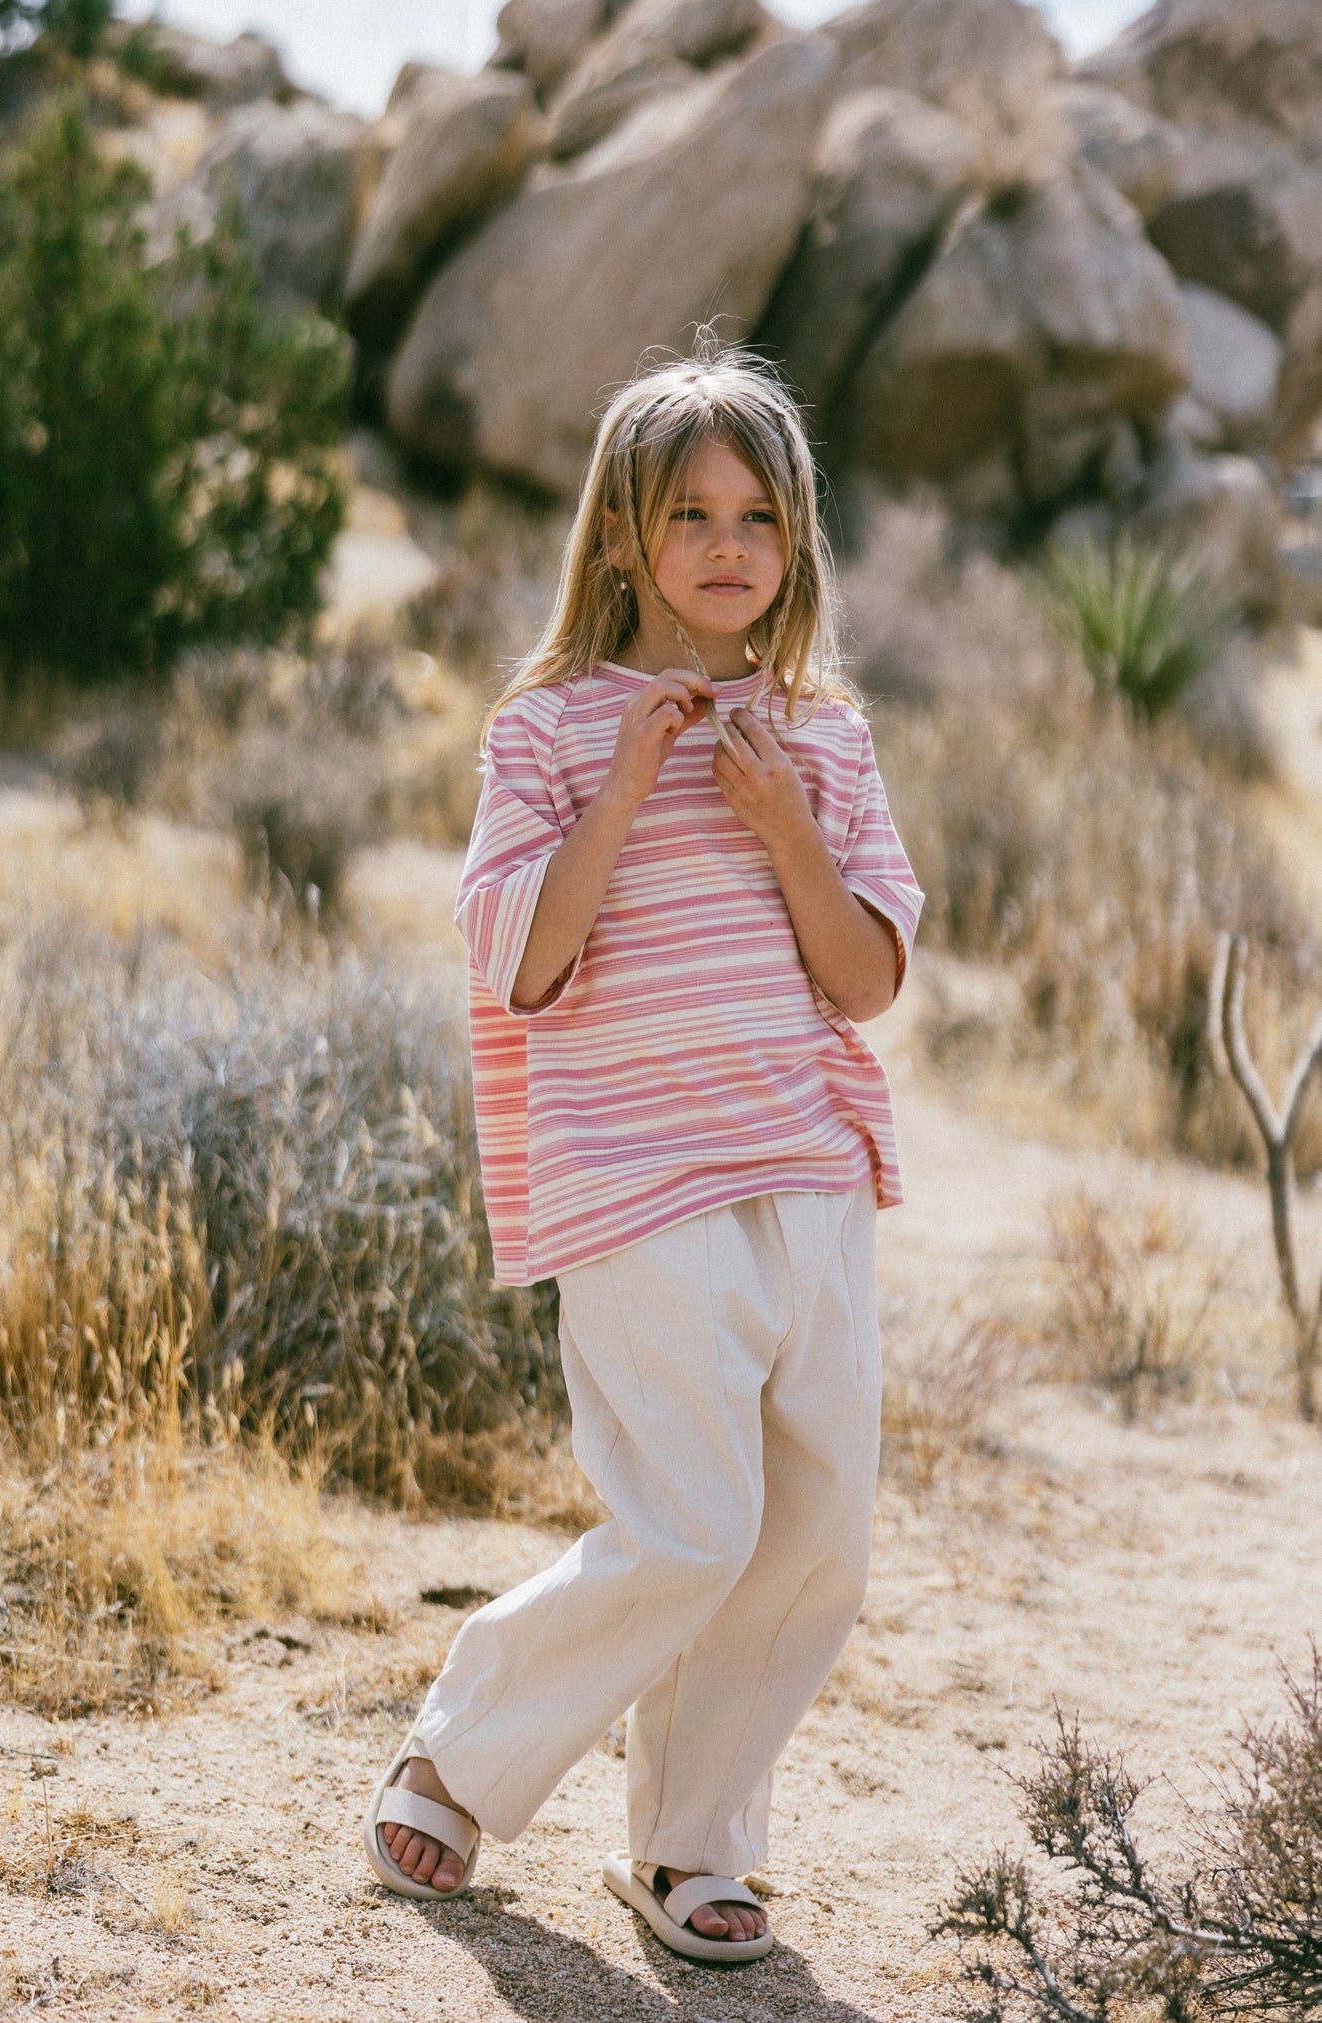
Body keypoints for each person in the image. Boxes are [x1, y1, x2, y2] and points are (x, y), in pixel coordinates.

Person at [362, 339, 923, 1966]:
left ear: (796, 542)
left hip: (807, 1178)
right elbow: (525, 967)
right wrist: (623, 788)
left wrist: (782, 828)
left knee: (814, 1528)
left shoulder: (820, 735)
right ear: (621, 535)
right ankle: (460, 1757)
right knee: (687, 1521)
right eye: (690, 515)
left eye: (760, 516)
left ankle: (691, 1844)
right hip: (631, 1180)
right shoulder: (543, 734)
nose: (728, 546)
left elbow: (868, 982)